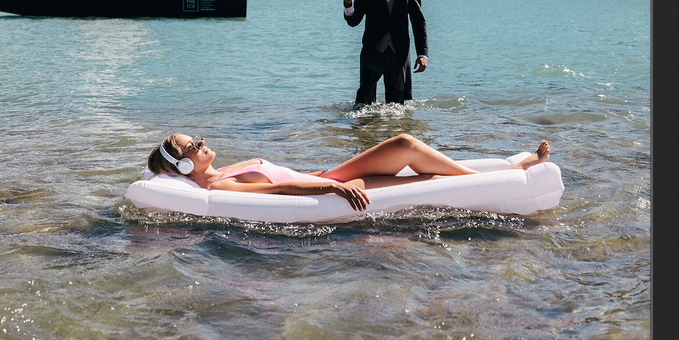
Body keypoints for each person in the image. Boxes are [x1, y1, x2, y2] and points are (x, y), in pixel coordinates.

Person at [147, 132, 550, 211]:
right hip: (333, 185)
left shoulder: (224, 168)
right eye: (192, 146)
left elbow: (284, 173)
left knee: (410, 156)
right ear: (183, 165)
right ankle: (513, 171)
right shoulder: (222, 186)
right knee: (407, 149)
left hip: (329, 174)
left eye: (196, 138)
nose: (201, 142)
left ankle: (510, 166)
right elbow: (279, 191)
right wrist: (334, 190)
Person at [337, 0, 428, 103]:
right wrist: (348, 2)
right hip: (372, 53)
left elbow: (418, 23)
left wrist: (422, 54)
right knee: (363, 105)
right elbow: (353, 21)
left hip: (399, 54)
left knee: (399, 108)